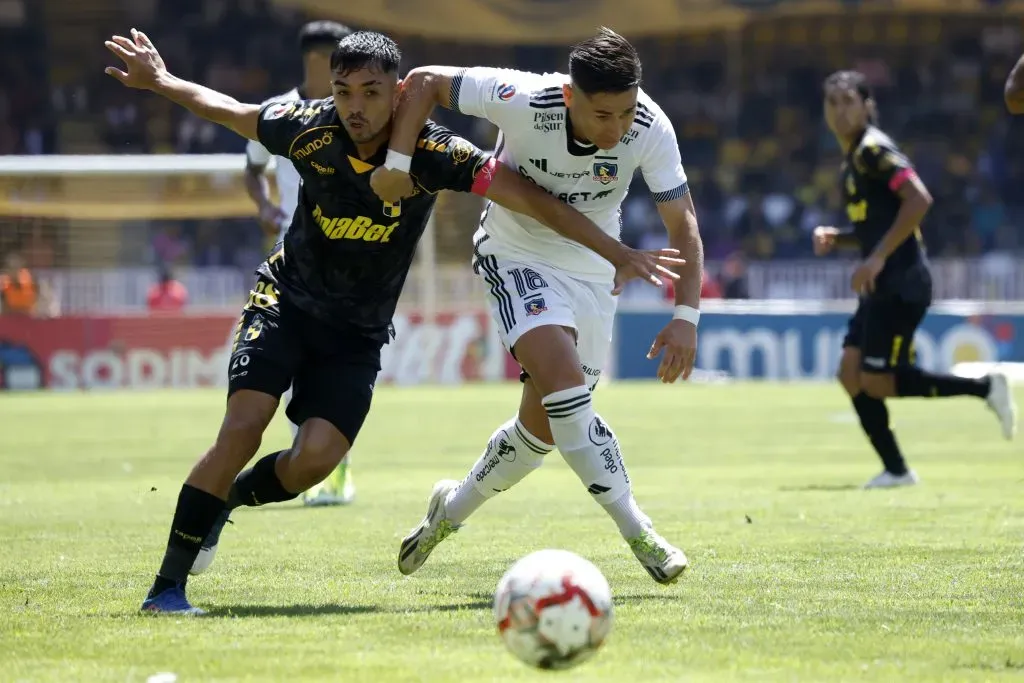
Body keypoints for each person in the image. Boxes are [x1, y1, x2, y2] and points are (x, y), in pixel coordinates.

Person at [104, 28, 682, 614]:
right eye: (344, 91)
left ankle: (223, 501)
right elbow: (232, 112)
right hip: (286, 301)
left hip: (356, 333)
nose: (355, 107)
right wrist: (162, 81)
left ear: (398, 93)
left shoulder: (439, 154)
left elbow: (534, 200)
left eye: (372, 93)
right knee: (243, 426)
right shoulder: (307, 127)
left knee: (314, 462)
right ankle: (167, 588)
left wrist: (619, 254)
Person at [372, 28, 702, 585]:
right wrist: (398, 164)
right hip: (515, 251)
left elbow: (683, 225)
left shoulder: (650, 126)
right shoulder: (522, 97)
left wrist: (686, 318)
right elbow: (423, 82)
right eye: (603, 115)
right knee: (569, 391)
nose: (617, 129)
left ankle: (447, 515)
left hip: (597, 267)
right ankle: (638, 530)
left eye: (625, 113)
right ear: (570, 97)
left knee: (544, 431)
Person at [813, 70, 1016, 489]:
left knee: (877, 381)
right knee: (851, 373)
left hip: (902, 281)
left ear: (868, 105)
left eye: (849, 101)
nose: (840, 111)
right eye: (832, 103)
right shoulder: (852, 159)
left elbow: (919, 199)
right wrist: (843, 238)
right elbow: (879, 225)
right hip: (880, 283)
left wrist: (877, 259)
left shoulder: (873, 149)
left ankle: (985, 388)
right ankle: (897, 471)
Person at [244, 20, 357, 507]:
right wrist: (265, 207)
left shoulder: (358, 114)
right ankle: (311, 463)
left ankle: (327, 468)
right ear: (316, 59)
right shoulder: (280, 113)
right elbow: (252, 169)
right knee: (290, 359)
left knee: (331, 363)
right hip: (291, 257)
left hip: (348, 253)